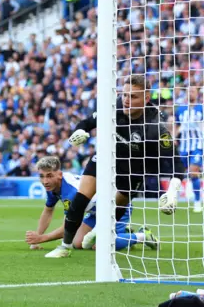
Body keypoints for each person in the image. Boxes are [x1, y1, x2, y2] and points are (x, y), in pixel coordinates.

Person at [46, 75, 185, 258]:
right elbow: (87, 123)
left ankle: (117, 232)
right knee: (80, 200)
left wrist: (173, 192)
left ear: (146, 98)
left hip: (134, 170)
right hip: (107, 158)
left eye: (133, 96)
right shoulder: (115, 106)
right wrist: (79, 132)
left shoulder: (155, 127)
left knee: (113, 210)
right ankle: (64, 247)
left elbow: (175, 162)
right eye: (125, 95)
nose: (127, 100)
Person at [26, 156, 157, 251]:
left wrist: (42, 238)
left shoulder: (71, 192)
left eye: (49, 176)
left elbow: (69, 225)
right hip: (95, 211)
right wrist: (37, 237)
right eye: (41, 176)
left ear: (59, 174)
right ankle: (123, 231)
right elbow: (48, 210)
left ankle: (143, 236)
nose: (45, 181)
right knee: (78, 243)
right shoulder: (53, 186)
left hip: (116, 207)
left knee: (99, 246)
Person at [174, 86, 203, 213]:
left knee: (193, 171)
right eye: (188, 91)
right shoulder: (180, 109)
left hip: (197, 145)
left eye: (192, 91)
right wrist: (174, 137)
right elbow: (177, 125)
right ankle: (173, 198)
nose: (190, 93)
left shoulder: (201, 108)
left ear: (197, 93)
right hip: (184, 146)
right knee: (178, 173)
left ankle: (197, 201)